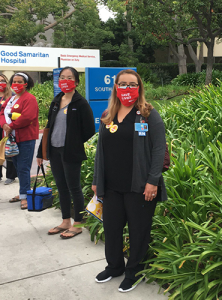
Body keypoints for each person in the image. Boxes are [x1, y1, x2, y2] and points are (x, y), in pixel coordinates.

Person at [92, 69, 167, 292]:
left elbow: (159, 149)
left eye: (132, 84)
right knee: (112, 228)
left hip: (140, 186)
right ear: (115, 87)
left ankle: (134, 271)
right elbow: (100, 151)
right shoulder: (108, 115)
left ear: (139, 88)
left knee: (138, 231)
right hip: (112, 186)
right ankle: (115, 266)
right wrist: (98, 180)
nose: (127, 88)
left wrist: (153, 181)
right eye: (122, 84)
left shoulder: (148, 114)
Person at [37, 67, 95, 239]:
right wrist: (41, 152)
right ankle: (65, 221)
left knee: (74, 187)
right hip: (54, 150)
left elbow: (89, 129)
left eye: (69, 78)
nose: (65, 80)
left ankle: (78, 223)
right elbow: (48, 127)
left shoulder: (81, 103)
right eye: (62, 77)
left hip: (71, 152)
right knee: (61, 187)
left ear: (76, 82)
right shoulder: (56, 101)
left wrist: (73, 142)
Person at [0, 72, 39, 209]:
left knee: (23, 168)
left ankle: (25, 196)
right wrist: (4, 125)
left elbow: (28, 117)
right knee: (16, 165)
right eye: (14, 81)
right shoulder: (11, 99)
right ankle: (23, 192)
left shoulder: (30, 99)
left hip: (25, 138)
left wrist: (11, 126)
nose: (16, 84)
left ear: (26, 84)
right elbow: (1, 114)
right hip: (11, 137)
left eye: (20, 82)